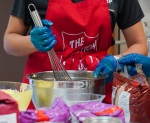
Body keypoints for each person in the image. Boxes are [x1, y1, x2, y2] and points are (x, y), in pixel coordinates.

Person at [3, 0, 148, 108]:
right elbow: (9, 43)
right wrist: (32, 42)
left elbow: (139, 44)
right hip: (44, 94)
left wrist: (116, 61)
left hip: (98, 87)